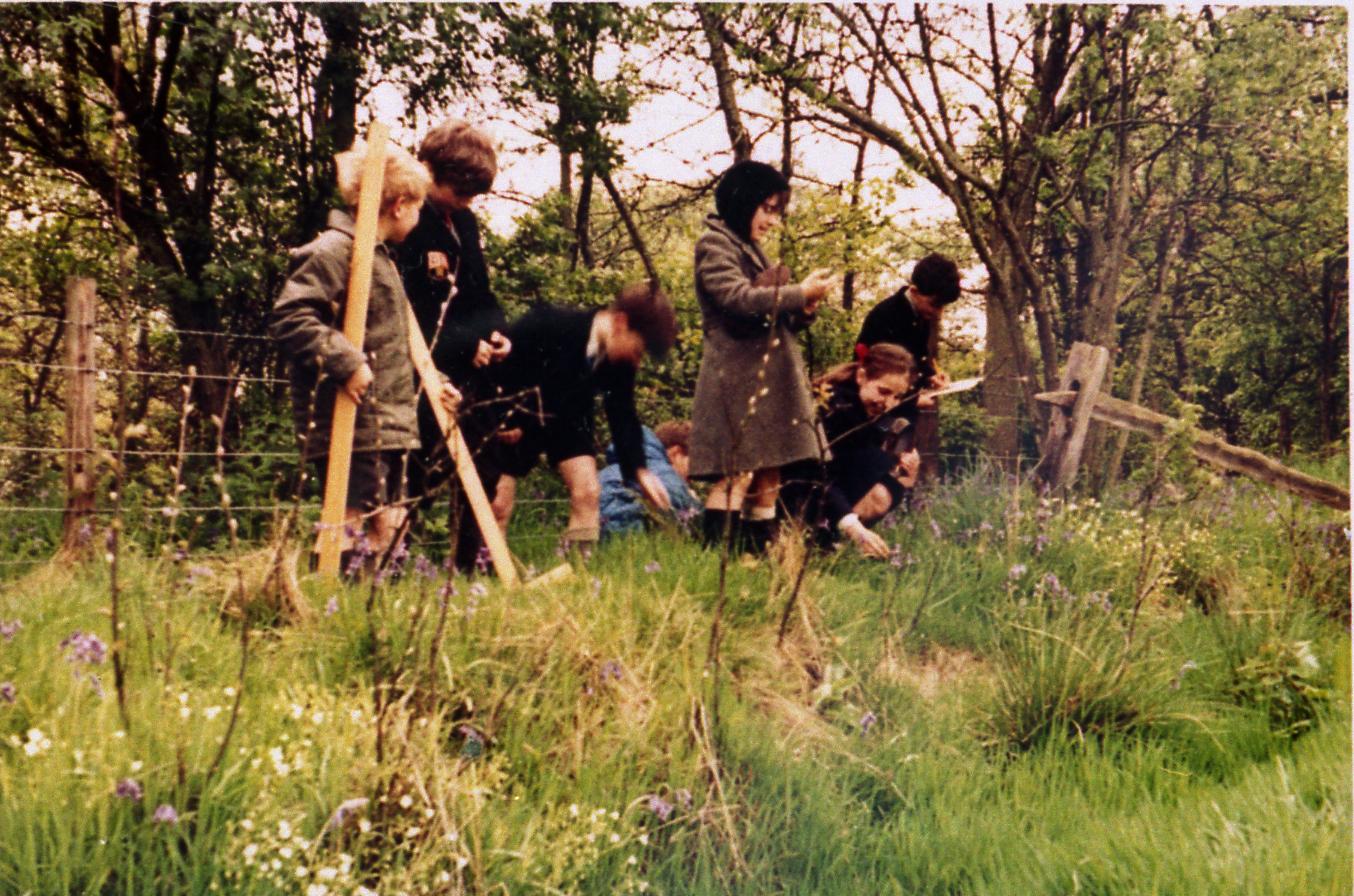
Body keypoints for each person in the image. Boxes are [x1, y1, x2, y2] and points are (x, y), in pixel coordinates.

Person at [271, 139, 460, 574]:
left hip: (387, 423)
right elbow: (291, 317)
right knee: (350, 520)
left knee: (389, 524)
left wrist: (437, 384)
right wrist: (347, 363)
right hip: (353, 423)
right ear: (399, 205)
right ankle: (329, 600)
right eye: (418, 206)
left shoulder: (380, 260)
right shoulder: (333, 251)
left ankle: (373, 608)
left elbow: (392, 342)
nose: (420, 216)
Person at [687, 159, 837, 554]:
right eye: (767, 209)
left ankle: (755, 559)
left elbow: (770, 313)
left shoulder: (751, 248)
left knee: (770, 472)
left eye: (777, 211)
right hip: (736, 377)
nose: (773, 221)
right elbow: (737, 299)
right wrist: (799, 293)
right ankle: (715, 561)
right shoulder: (714, 244)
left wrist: (804, 309)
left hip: (766, 376)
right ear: (742, 201)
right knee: (737, 474)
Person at [491, 282, 678, 554]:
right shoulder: (548, 323)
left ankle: (578, 567)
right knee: (498, 505)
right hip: (517, 416)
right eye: (639, 351)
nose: (638, 362)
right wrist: (502, 421)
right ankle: (485, 569)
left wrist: (639, 469)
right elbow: (501, 371)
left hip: (569, 419)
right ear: (620, 323)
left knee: (588, 491)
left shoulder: (619, 361)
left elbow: (623, 413)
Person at [780, 343, 921, 558]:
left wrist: (903, 476)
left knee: (881, 472)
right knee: (874, 461)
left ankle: (829, 543)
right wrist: (852, 526)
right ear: (861, 376)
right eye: (883, 391)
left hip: (825, 499)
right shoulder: (832, 409)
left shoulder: (866, 412)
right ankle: (818, 542)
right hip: (792, 495)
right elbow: (813, 474)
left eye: (897, 397)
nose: (889, 404)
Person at [856, 252, 961, 417]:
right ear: (914, 291)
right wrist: (911, 403)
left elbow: (918, 358)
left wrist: (932, 377)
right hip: (877, 413)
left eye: (943, 306)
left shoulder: (920, 315)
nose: (939, 313)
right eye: (934, 305)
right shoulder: (886, 315)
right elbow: (876, 377)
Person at [598, 420, 699, 539]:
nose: (693, 476)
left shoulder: (602, 475)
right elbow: (700, 530)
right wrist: (693, 502)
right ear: (675, 453)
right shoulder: (666, 476)